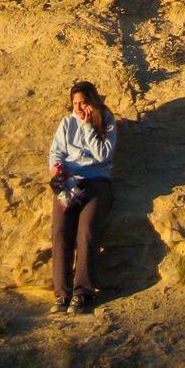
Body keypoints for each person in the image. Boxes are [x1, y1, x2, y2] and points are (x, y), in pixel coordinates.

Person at [48, 79, 116, 313]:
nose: (78, 108)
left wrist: (88, 127)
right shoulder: (67, 123)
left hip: (97, 182)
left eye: (83, 102)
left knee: (86, 231)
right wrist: (56, 168)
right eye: (75, 103)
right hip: (69, 182)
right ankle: (62, 294)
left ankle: (83, 292)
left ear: (92, 102)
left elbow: (103, 155)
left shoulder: (106, 121)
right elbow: (56, 152)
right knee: (60, 231)